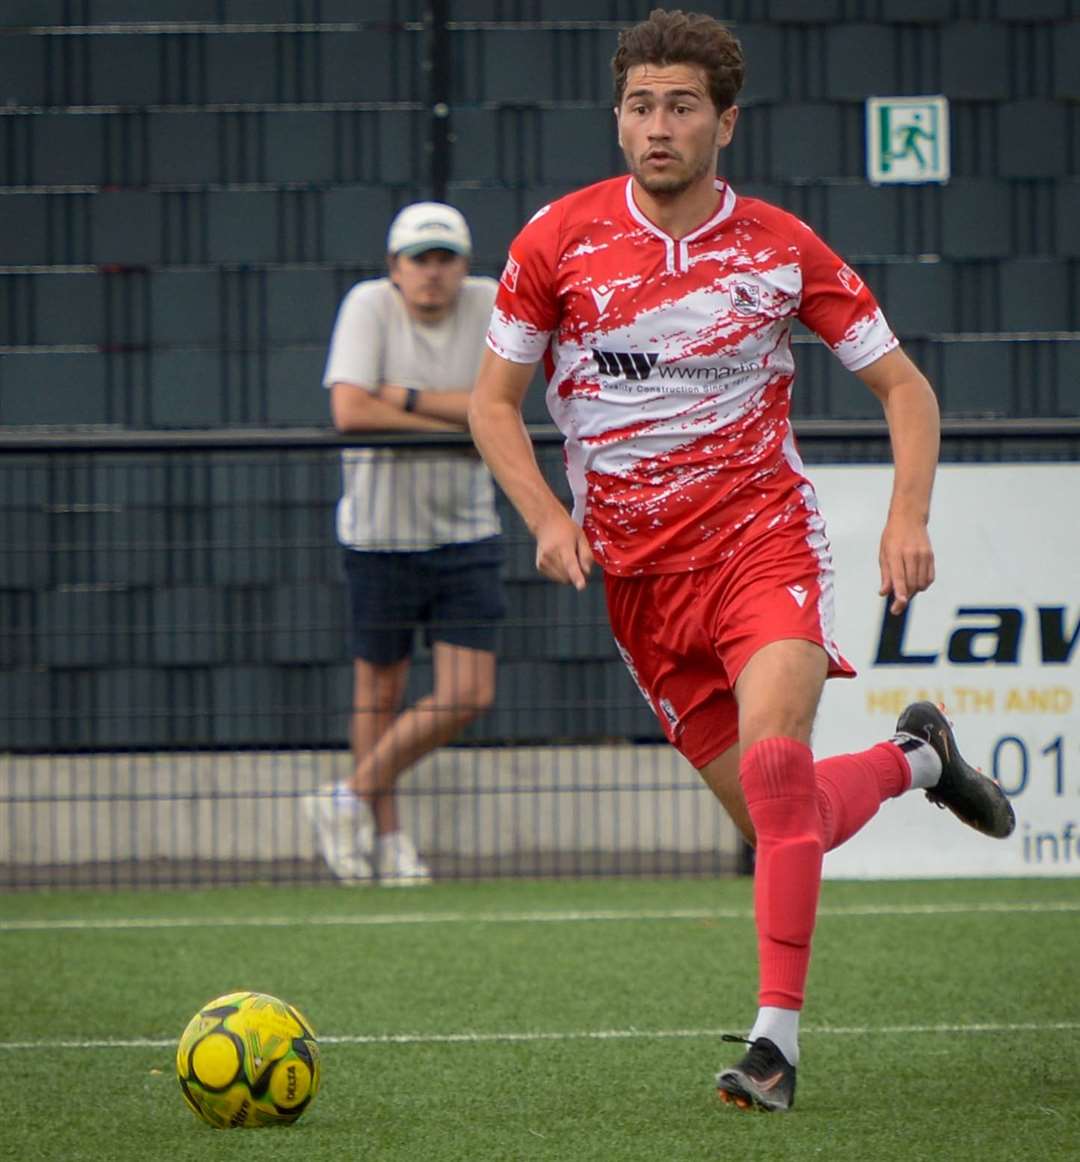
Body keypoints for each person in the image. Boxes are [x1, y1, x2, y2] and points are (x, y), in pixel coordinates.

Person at [468, 9, 1015, 1112]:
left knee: (777, 768)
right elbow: (492, 404)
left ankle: (775, 1046)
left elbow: (905, 387)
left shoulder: (779, 247)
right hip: (639, 586)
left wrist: (910, 515)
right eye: (638, 105)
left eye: (679, 106)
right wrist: (543, 514)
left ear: (726, 120)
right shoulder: (555, 241)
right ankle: (917, 762)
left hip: (761, 544)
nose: (656, 125)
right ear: (616, 118)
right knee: (782, 821)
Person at [304, 202, 505, 887]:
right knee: (378, 693)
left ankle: (347, 797)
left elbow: (499, 404)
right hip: (378, 535)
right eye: (420, 258)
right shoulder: (366, 305)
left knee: (469, 692)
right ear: (394, 267)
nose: (433, 272)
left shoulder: (490, 303)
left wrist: (407, 398)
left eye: (445, 257)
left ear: (465, 265)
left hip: (466, 529)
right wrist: (457, 415)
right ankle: (386, 839)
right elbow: (350, 410)